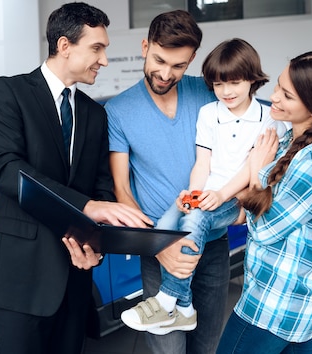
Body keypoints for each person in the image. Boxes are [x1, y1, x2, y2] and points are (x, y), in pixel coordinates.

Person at [0, 2, 152, 354]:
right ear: (65, 46)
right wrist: (88, 206)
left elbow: (101, 187)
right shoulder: (6, 92)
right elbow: (7, 170)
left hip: (75, 277)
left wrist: (94, 247)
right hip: (19, 276)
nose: (103, 60)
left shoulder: (94, 114)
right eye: (96, 48)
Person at [120, 38, 286, 334]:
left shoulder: (269, 122)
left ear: (252, 79)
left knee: (196, 218)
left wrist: (221, 194)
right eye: (219, 85)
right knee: (166, 225)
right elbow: (203, 162)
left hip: (232, 201)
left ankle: (168, 299)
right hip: (208, 194)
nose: (226, 92)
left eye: (234, 83)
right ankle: (185, 307)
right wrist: (194, 192)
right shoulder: (209, 113)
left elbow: (254, 170)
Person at [216, 50, 312, 354]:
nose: (275, 97)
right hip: (286, 298)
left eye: (287, 95)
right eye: (278, 86)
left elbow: (265, 230)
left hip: (276, 303)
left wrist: (255, 173)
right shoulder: (284, 142)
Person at [105, 9, 225, 354]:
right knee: (168, 349)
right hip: (160, 245)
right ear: (145, 46)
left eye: (178, 66)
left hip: (212, 243)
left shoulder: (207, 93)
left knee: (207, 345)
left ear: (192, 60)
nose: (166, 73)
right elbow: (122, 189)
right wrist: (158, 247)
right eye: (159, 60)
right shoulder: (119, 110)